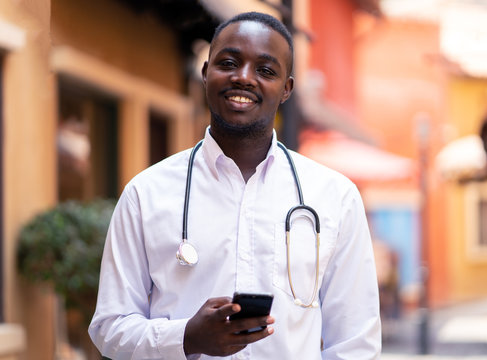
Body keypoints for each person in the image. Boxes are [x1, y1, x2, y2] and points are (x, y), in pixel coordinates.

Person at [89, 11, 381, 359]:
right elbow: (109, 327)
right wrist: (185, 337)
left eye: (266, 70)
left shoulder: (335, 197)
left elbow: (355, 344)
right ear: (205, 73)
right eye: (228, 63)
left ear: (286, 89)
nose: (244, 78)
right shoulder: (146, 194)